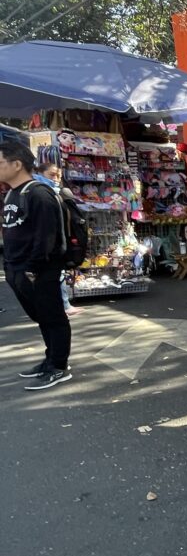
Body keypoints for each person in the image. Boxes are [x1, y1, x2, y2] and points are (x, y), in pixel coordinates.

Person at [0, 140, 74, 390]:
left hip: (39, 270)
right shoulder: (12, 192)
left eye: (0, 162)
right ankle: (50, 359)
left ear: (17, 164)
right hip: (17, 268)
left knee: (53, 318)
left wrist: (32, 268)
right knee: (42, 318)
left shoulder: (39, 194)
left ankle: (59, 367)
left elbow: (47, 238)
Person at [33, 154, 81, 317]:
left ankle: (63, 305)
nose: (56, 178)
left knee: (58, 275)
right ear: (41, 173)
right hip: (48, 244)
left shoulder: (55, 191)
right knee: (54, 275)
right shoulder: (41, 192)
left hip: (57, 241)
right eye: (52, 175)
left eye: (58, 175)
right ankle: (61, 306)